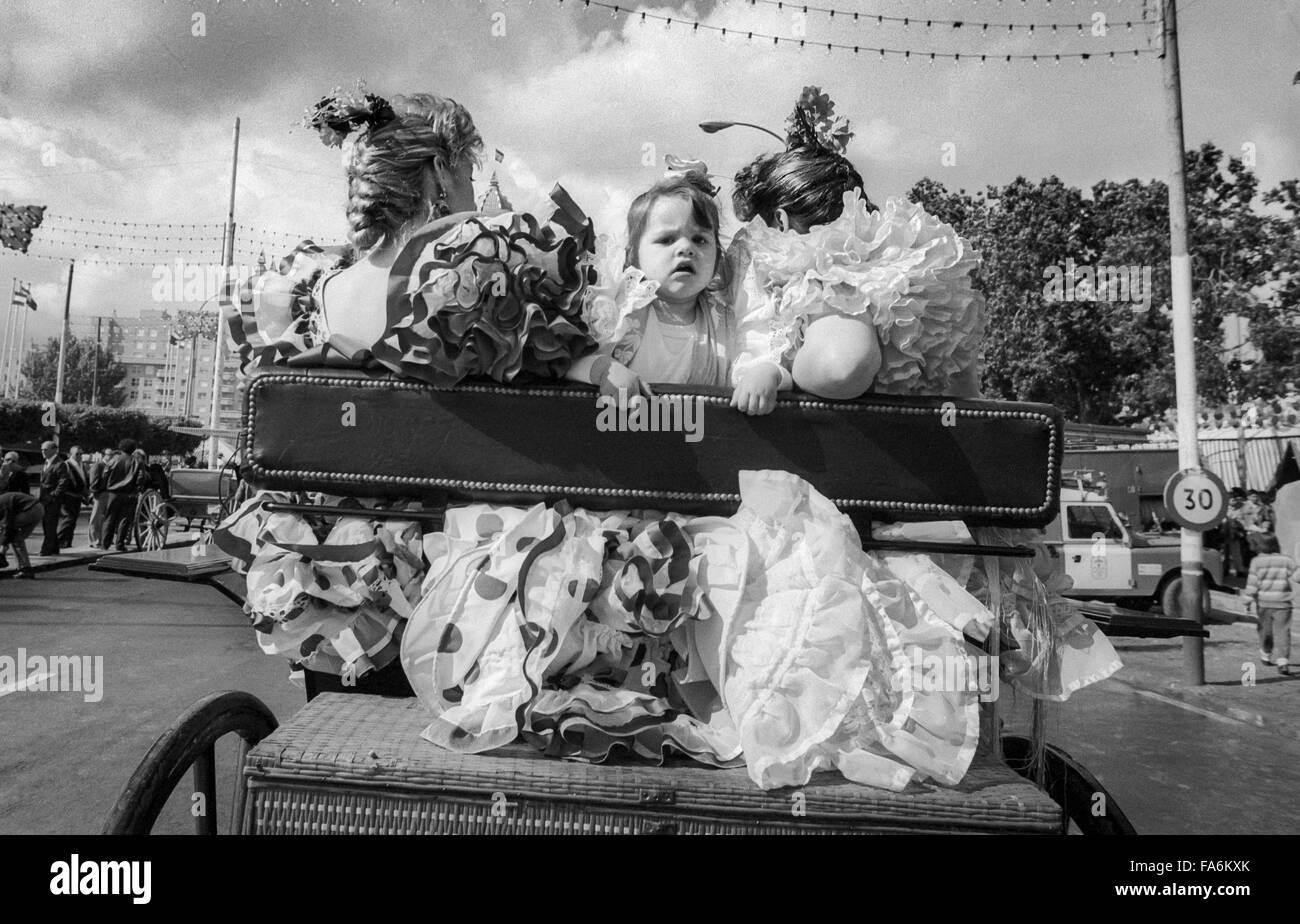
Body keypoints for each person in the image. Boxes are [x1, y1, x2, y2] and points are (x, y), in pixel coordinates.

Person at [728, 87, 984, 409]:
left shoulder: (810, 280)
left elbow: (841, 368)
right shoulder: (918, 275)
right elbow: (970, 399)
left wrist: (777, 372)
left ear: (779, 222)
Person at [569, 171, 740, 397]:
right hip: (620, 425)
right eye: (667, 239)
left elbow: (752, 368)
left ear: (717, 257)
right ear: (633, 256)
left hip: (698, 430)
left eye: (700, 240)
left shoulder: (726, 324)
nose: (686, 248)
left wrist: (763, 374)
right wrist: (604, 370)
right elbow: (567, 364)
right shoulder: (617, 310)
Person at [1243, 534, 1299, 675]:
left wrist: (1247, 600)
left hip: (1264, 604)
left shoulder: (1256, 562)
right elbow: (1297, 577)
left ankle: (1266, 654)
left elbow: (1252, 584)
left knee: (1265, 632)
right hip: (1284, 604)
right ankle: (1283, 662)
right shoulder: (1286, 560)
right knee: (1283, 632)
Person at [100, 439, 144, 552]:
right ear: (133, 449)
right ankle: (120, 544)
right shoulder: (137, 462)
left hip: (113, 493)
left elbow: (105, 474)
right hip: (129, 494)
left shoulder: (113, 460)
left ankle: (105, 544)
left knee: (109, 518)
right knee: (124, 520)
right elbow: (140, 478)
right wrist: (136, 490)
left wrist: (105, 487)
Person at [37, 440, 70, 556]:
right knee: (47, 524)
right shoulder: (46, 463)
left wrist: (53, 496)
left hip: (53, 500)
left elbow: (63, 483)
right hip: (44, 500)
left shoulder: (60, 464)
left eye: (45, 449)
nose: (43, 451)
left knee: (50, 524)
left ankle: (45, 550)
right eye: (42, 449)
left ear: (54, 450)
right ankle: (54, 548)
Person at [0, 490, 44, 578]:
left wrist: (3, 544)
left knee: (7, 530)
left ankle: (2, 555)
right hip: (38, 509)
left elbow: (7, 525)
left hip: (31, 509)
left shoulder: (2, 503)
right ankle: (25, 569)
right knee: (17, 539)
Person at [57, 445, 88, 549]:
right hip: (68, 496)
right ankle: (58, 541)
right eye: (77, 454)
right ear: (70, 455)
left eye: (81, 454)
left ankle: (67, 542)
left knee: (73, 521)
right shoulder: (66, 465)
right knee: (68, 519)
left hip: (78, 496)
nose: (79, 456)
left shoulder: (81, 465)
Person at [87, 447, 115, 549]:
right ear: (104, 455)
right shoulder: (98, 465)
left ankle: (103, 538)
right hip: (100, 494)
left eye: (112, 455)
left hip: (108, 494)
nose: (111, 457)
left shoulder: (111, 466)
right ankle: (94, 540)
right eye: (109, 455)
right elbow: (93, 480)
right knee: (96, 518)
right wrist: (95, 493)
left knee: (104, 518)